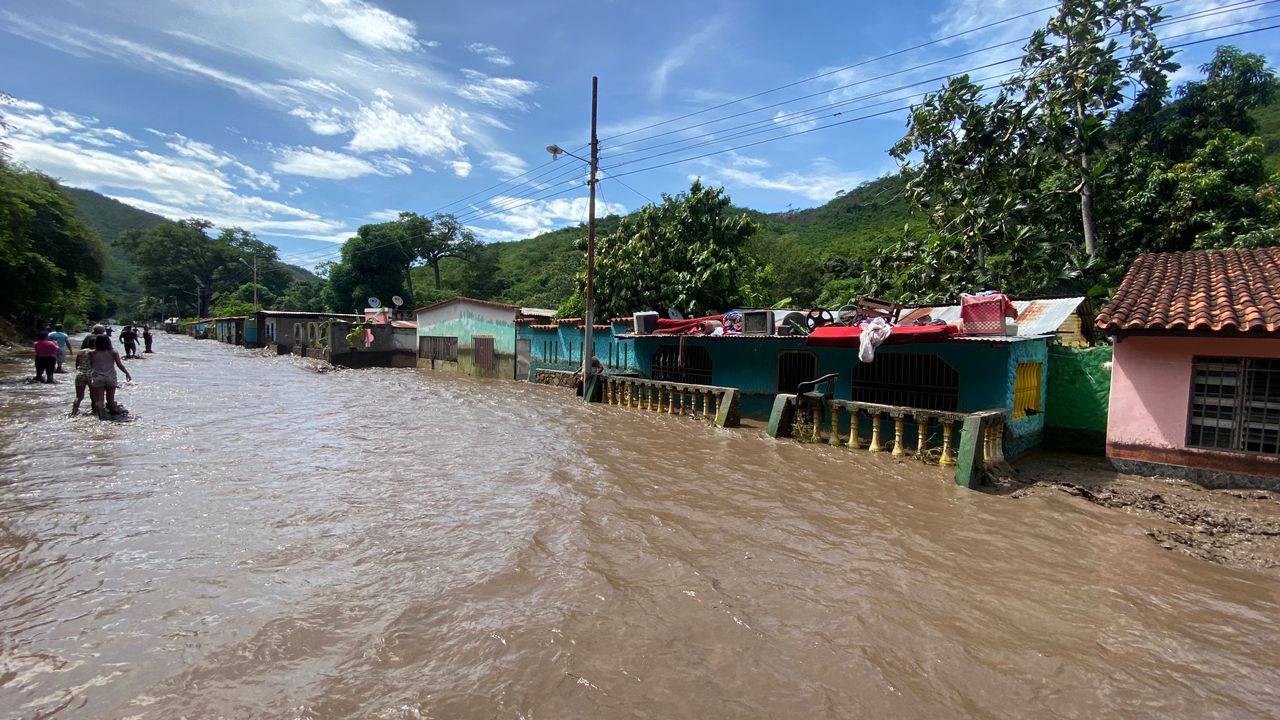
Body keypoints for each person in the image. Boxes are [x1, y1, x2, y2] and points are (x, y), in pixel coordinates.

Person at [88, 334, 132, 419]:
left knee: (99, 400)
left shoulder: (92, 353)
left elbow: (91, 365)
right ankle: (113, 416)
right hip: (110, 377)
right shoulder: (113, 352)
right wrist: (127, 373)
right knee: (110, 399)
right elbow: (119, 365)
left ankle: (101, 418)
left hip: (97, 377)